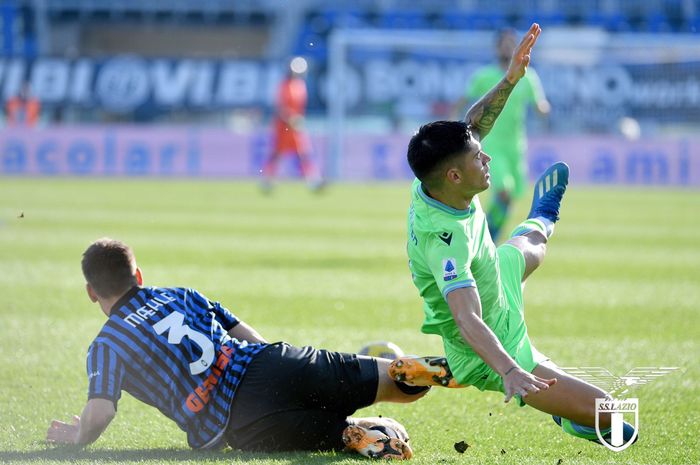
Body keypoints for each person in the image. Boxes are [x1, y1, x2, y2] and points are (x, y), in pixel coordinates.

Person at [392, 23, 636, 448]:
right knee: (615, 422)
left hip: (494, 275)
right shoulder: (444, 241)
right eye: (476, 156)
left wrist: (510, 80)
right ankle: (567, 416)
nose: (485, 155)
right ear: (454, 175)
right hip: (492, 342)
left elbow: (472, 124)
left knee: (533, 246)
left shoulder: (434, 180)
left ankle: (543, 214)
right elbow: (467, 318)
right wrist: (507, 370)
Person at [46, 238, 428, 459]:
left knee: (327, 435)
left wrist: (78, 436)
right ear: (139, 276)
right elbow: (250, 337)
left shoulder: (108, 344)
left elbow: (99, 415)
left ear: (91, 292)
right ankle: (427, 371)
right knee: (389, 378)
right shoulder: (181, 294)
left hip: (238, 424)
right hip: (269, 364)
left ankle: (355, 435)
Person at [453, 28, 550, 242]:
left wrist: (545, 109)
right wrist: (452, 124)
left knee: (509, 198)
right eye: (503, 44)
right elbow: (464, 99)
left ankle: (486, 237)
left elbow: (539, 105)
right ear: (497, 48)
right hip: (491, 144)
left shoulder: (528, 76)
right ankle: (484, 239)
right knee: (503, 191)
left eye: (510, 44)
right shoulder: (484, 76)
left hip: (516, 146)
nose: (507, 47)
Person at [261, 57, 324, 193]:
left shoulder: (300, 86)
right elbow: (281, 108)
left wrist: (296, 120)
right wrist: (291, 119)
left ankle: (313, 181)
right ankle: (267, 180)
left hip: (295, 126)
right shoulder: (285, 85)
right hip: (284, 126)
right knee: (277, 154)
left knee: (304, 154)